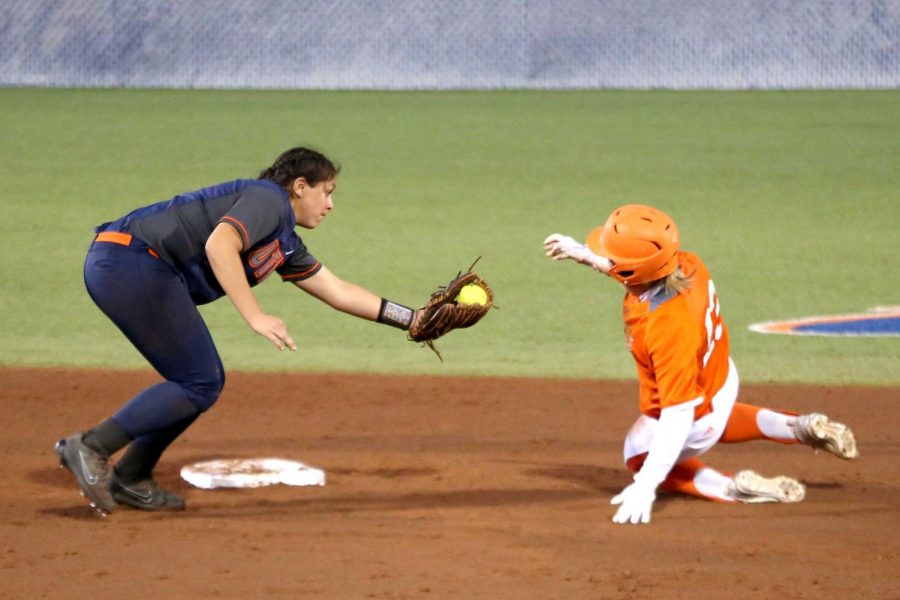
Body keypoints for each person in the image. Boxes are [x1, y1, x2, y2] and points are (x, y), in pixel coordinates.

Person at [56, 146, 421, 514]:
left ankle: (132, 475)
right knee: (200, 380)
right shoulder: (269, 199)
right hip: (132, 260)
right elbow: (220, 245)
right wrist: (255, 315)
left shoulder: (284, 241)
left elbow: (338, 292)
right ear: (299, 186)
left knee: (197, 381)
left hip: (129, 266)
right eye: (326, 191)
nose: (329, 205)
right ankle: (91, 446)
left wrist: (414, 319)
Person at [543, 204, 858, 525]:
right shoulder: (686, 264)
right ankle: (798, 427)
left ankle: (733, 488)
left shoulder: (666, 329)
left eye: (610, 256)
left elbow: (678, 414)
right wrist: (586, 256)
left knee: (637, 455)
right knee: (717, 414)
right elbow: (640, 274)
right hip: (720, 379)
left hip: (694, 416)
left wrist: (646, 484)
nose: (605, 257)